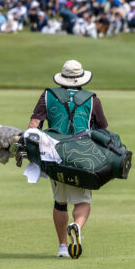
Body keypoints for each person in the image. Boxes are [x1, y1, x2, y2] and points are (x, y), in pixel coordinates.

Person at [27, 60, 109, 258]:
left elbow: (33, 126)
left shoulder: (48, 95)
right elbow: (103, 131)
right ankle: (77, 225)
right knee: (83, 201)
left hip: (55, 154)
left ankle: (63, 247)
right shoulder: (92, 99)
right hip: (83, 156)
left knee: (60, 202)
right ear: (81, 79)